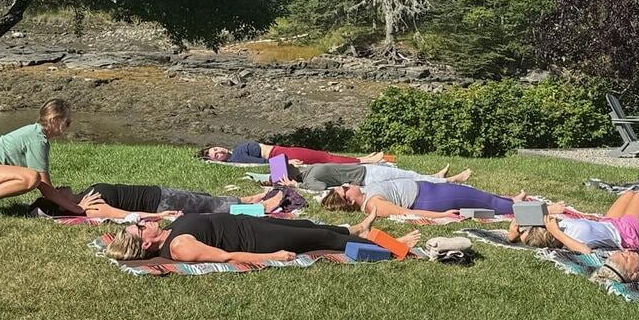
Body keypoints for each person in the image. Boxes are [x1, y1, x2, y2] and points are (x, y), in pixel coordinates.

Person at [104, 209, 421, 264]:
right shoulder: (180, 246)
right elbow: (227, 257)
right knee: (326, 241)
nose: (143, 223)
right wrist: (272, 256)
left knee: (309, 226)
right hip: (258, 241)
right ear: (146, 243)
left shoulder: (168, 230)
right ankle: (395, 249)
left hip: (250, 225)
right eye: (140, 228)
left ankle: (357, 229)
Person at [0, 99, 83, 219]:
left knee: (26, 177)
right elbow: (45, 188)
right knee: (31, 179)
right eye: (67, 122)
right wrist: (78, 209)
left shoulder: (35, 132)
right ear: (54, 120)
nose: (69, 127)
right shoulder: (37, 140)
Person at [507, 191, 639, 253]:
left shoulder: (544, 234)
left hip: (608, 223)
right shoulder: (568, 240)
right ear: (549, 234)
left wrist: (512, 234)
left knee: (629, 195)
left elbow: (523, 236)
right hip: (624, 233)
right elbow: (586, 251)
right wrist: (557, 232)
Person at [320, 179, 561, 220]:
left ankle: (512, 200)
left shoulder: (365, 194)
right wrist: (442, 215)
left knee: (480, 196)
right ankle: (546, 210)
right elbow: (408, 213)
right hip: (431, 199)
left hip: (430, 191)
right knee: (490, 205)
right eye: (345, 189)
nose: (347, 185)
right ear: (350, 201)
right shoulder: (373, 205)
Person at [29, 183, 288, 220]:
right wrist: (159, 217)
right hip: (160, 203)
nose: (58, 188)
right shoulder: (91, 206)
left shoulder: (86, 196)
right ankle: (260, 208)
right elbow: (124, 215)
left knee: (205, 199)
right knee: (210, 208)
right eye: (55, 194)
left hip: (160, 194)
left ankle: (246, 199)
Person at [279, 162, 472, 192]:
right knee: (408, 178)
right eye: (291, 166)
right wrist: (297, 185)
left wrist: (295, 184)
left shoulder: (308, 172)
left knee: (409, 176)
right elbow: (320, 187)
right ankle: (450, 181)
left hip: (367, 172)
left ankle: (436, 177)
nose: (293, 164)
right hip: (368, 176)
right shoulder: (309, 176)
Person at [198, 142, 389, 166]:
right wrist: (287, 163)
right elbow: (260, 164)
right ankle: (365, 160)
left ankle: (363, 158)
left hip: (282, 151)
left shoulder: (235, 150)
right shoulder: (237, 158)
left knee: (323, 154)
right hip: (281, 155)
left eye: (216, 149)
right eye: (216, 155)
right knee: (325, 158)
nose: (219, 152)